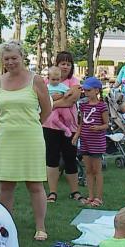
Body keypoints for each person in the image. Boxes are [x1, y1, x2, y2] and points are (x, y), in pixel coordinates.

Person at [0, 40, 52, 241]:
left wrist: (32, 123)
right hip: (7, 137)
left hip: (30, 137)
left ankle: (40, 227)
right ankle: (6, 225)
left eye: (14, 58)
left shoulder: (36, 80)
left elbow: (46, 109)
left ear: (22, 57)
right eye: (6, 59)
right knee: (6, 185)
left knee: (35, 184)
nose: (10, 62)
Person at [43, 51, 84, 204]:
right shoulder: (46, 81)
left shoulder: (74, 82)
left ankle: (75, 191)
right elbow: (41, 100)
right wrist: (56, 100)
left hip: (70, 126)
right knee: (51, 158)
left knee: (70, 158)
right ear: (57, 65)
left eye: (68, 64)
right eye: (62, 63)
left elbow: (71, 101)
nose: (65, 66)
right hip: (49, 126)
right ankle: (52, 192)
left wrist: (52, 104)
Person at [72, 76, 109, 207]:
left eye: (88, 90)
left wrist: (98, 127)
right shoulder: (83, 106)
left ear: (96, 91)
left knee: (97, 170)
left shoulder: (102, 106)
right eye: (85, 91)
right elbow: (81, 123)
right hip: (85, 141)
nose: (86, 93)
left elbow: (106, 124)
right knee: (88, 170)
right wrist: (77, 135)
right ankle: (91, 196)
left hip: (97, 142)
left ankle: (99, 197)